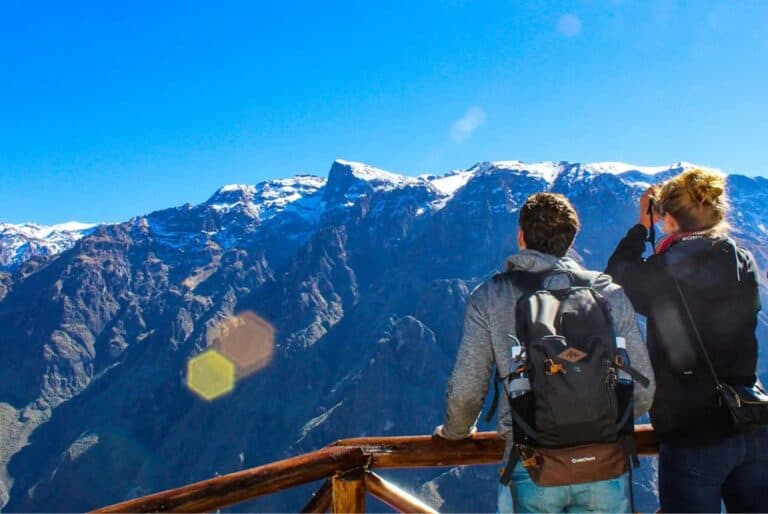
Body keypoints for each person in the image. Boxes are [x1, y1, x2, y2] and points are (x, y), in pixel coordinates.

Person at [434, 192, 655, 513]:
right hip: (604, 461)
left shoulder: (491, 296)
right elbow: (643, 386)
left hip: (531, 463)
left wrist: (455, 433)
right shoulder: (608, 292)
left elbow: (468, 390)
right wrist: (601, 417)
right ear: (571, 240)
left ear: (521, 236)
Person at [606, 167, 768, 512]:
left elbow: (615, 276)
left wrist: (640, 227)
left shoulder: (664, 269)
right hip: (751, 421)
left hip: (693, 433)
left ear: (670, 221)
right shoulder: (744, 260)